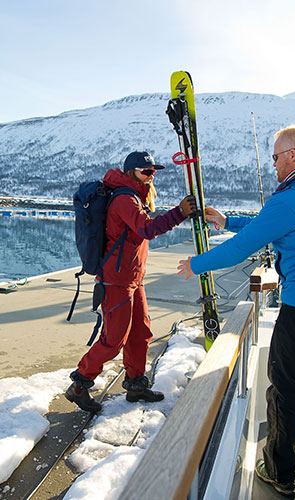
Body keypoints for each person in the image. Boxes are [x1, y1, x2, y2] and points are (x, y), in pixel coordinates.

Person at [177, 125, 295, 497]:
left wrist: (195, 264)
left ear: (293, 155)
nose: (274, 164)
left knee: (285, 387)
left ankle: (279, 471)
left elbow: (242, 247)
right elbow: (273, 225)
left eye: (277, 157)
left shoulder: (291, 199)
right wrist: (228, 221)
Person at [66, 151, 197, 413]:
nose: (151, 176)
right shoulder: (125, 199)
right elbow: (147, 228)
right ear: (131, 172)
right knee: (114, 339)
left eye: (153, 171)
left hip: (133, 278)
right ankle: (80, 384)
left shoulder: (134, 196)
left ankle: (136, 385)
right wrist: (179, 213)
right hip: (116, 281)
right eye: (145, 171)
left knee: (140, 332)